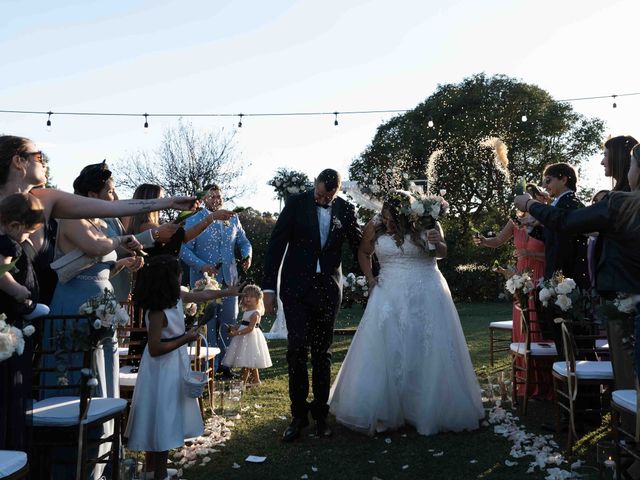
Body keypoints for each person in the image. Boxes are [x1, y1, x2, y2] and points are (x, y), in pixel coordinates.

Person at [329, 191, 484, 436]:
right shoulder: (376, 225)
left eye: (393, 219)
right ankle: (384, 408)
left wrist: (435, 241)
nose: (388, 223)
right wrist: (370, 279)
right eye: (385, 217)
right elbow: (363, 252)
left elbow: (442, 252)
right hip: (388, 292)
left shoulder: (427, 223)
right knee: (387, 347)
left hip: (426, 291)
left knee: (425, 347)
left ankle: (426, 408)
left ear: (407, 215)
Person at [515, 144, 640, 386]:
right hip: (624, 295)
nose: (603, 162)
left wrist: (530, 205)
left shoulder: (618, 202)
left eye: (605, 156)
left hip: (618, 294)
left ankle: (598, 414)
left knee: (618, 367)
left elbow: (566, 223)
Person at [263, 169, 362, 442]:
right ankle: (298, 416)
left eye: (328, 196)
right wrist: (268, 289)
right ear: (314, 185)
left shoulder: (345, 209)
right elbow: (275, 245)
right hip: (295, 289)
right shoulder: (295, 204)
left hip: (329, 290)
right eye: (319, 193)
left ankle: (320, 416)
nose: (322, 199)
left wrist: (378, 267)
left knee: (323, 353)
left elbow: (358, 245)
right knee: (296, 350)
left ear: (337, 192)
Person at [125, 254, 241, 480]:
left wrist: (226, 292)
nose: (182, 277)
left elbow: (201, 295)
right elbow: (154, 348)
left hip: (173, 364)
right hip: (160, 369)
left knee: (166, 416)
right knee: (162, 416)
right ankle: (158, 473)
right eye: (178, 274)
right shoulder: (157, 311)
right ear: (168, 279)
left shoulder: (176, 296)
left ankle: (154, 470)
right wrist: (185, 339)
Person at [474, 183, 550, 398]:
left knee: (538, 327)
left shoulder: (547, 221)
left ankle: (544, 381)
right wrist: (483, 241)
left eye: (529, 198)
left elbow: (555, 251)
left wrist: (531, 254)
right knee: (523, 325)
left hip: (541, 276)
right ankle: (526, 379)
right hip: (520, 279)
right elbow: (497, 241)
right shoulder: (515, 221)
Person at [180, 184, 252, 379]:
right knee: (208, 322)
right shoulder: (194, 219)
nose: (216, 199)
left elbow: (244, 241)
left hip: (229, 279)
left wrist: (247, 255)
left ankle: (226, 365)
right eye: (212, 196)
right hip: (204, 281)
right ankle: (207, 365)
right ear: (203, 199)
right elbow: (183, 249)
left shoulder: (233, 217)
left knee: (229, 320)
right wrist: (203, 266)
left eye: (218, 196)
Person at [0, 193, 44, 452]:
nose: (27, 237)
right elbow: (1, 274)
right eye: (28, 232)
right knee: (8, 392)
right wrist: (18, 291)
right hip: (8, 328)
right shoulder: (7, 244)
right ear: (15, 225)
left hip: (14, 324)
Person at [222, 284, 272, 386]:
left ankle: (242, 382)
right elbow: (244, 324)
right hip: (244, 337)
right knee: (250, 360)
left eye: (252, 297)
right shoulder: (247, 311)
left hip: (251, 338)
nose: (248, 299)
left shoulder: (255, 314)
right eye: (246, 296)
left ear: (258, 299)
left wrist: (237, 333)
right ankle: (256, 380)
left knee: (246, 362)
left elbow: (250, 328)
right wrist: (236, 327)